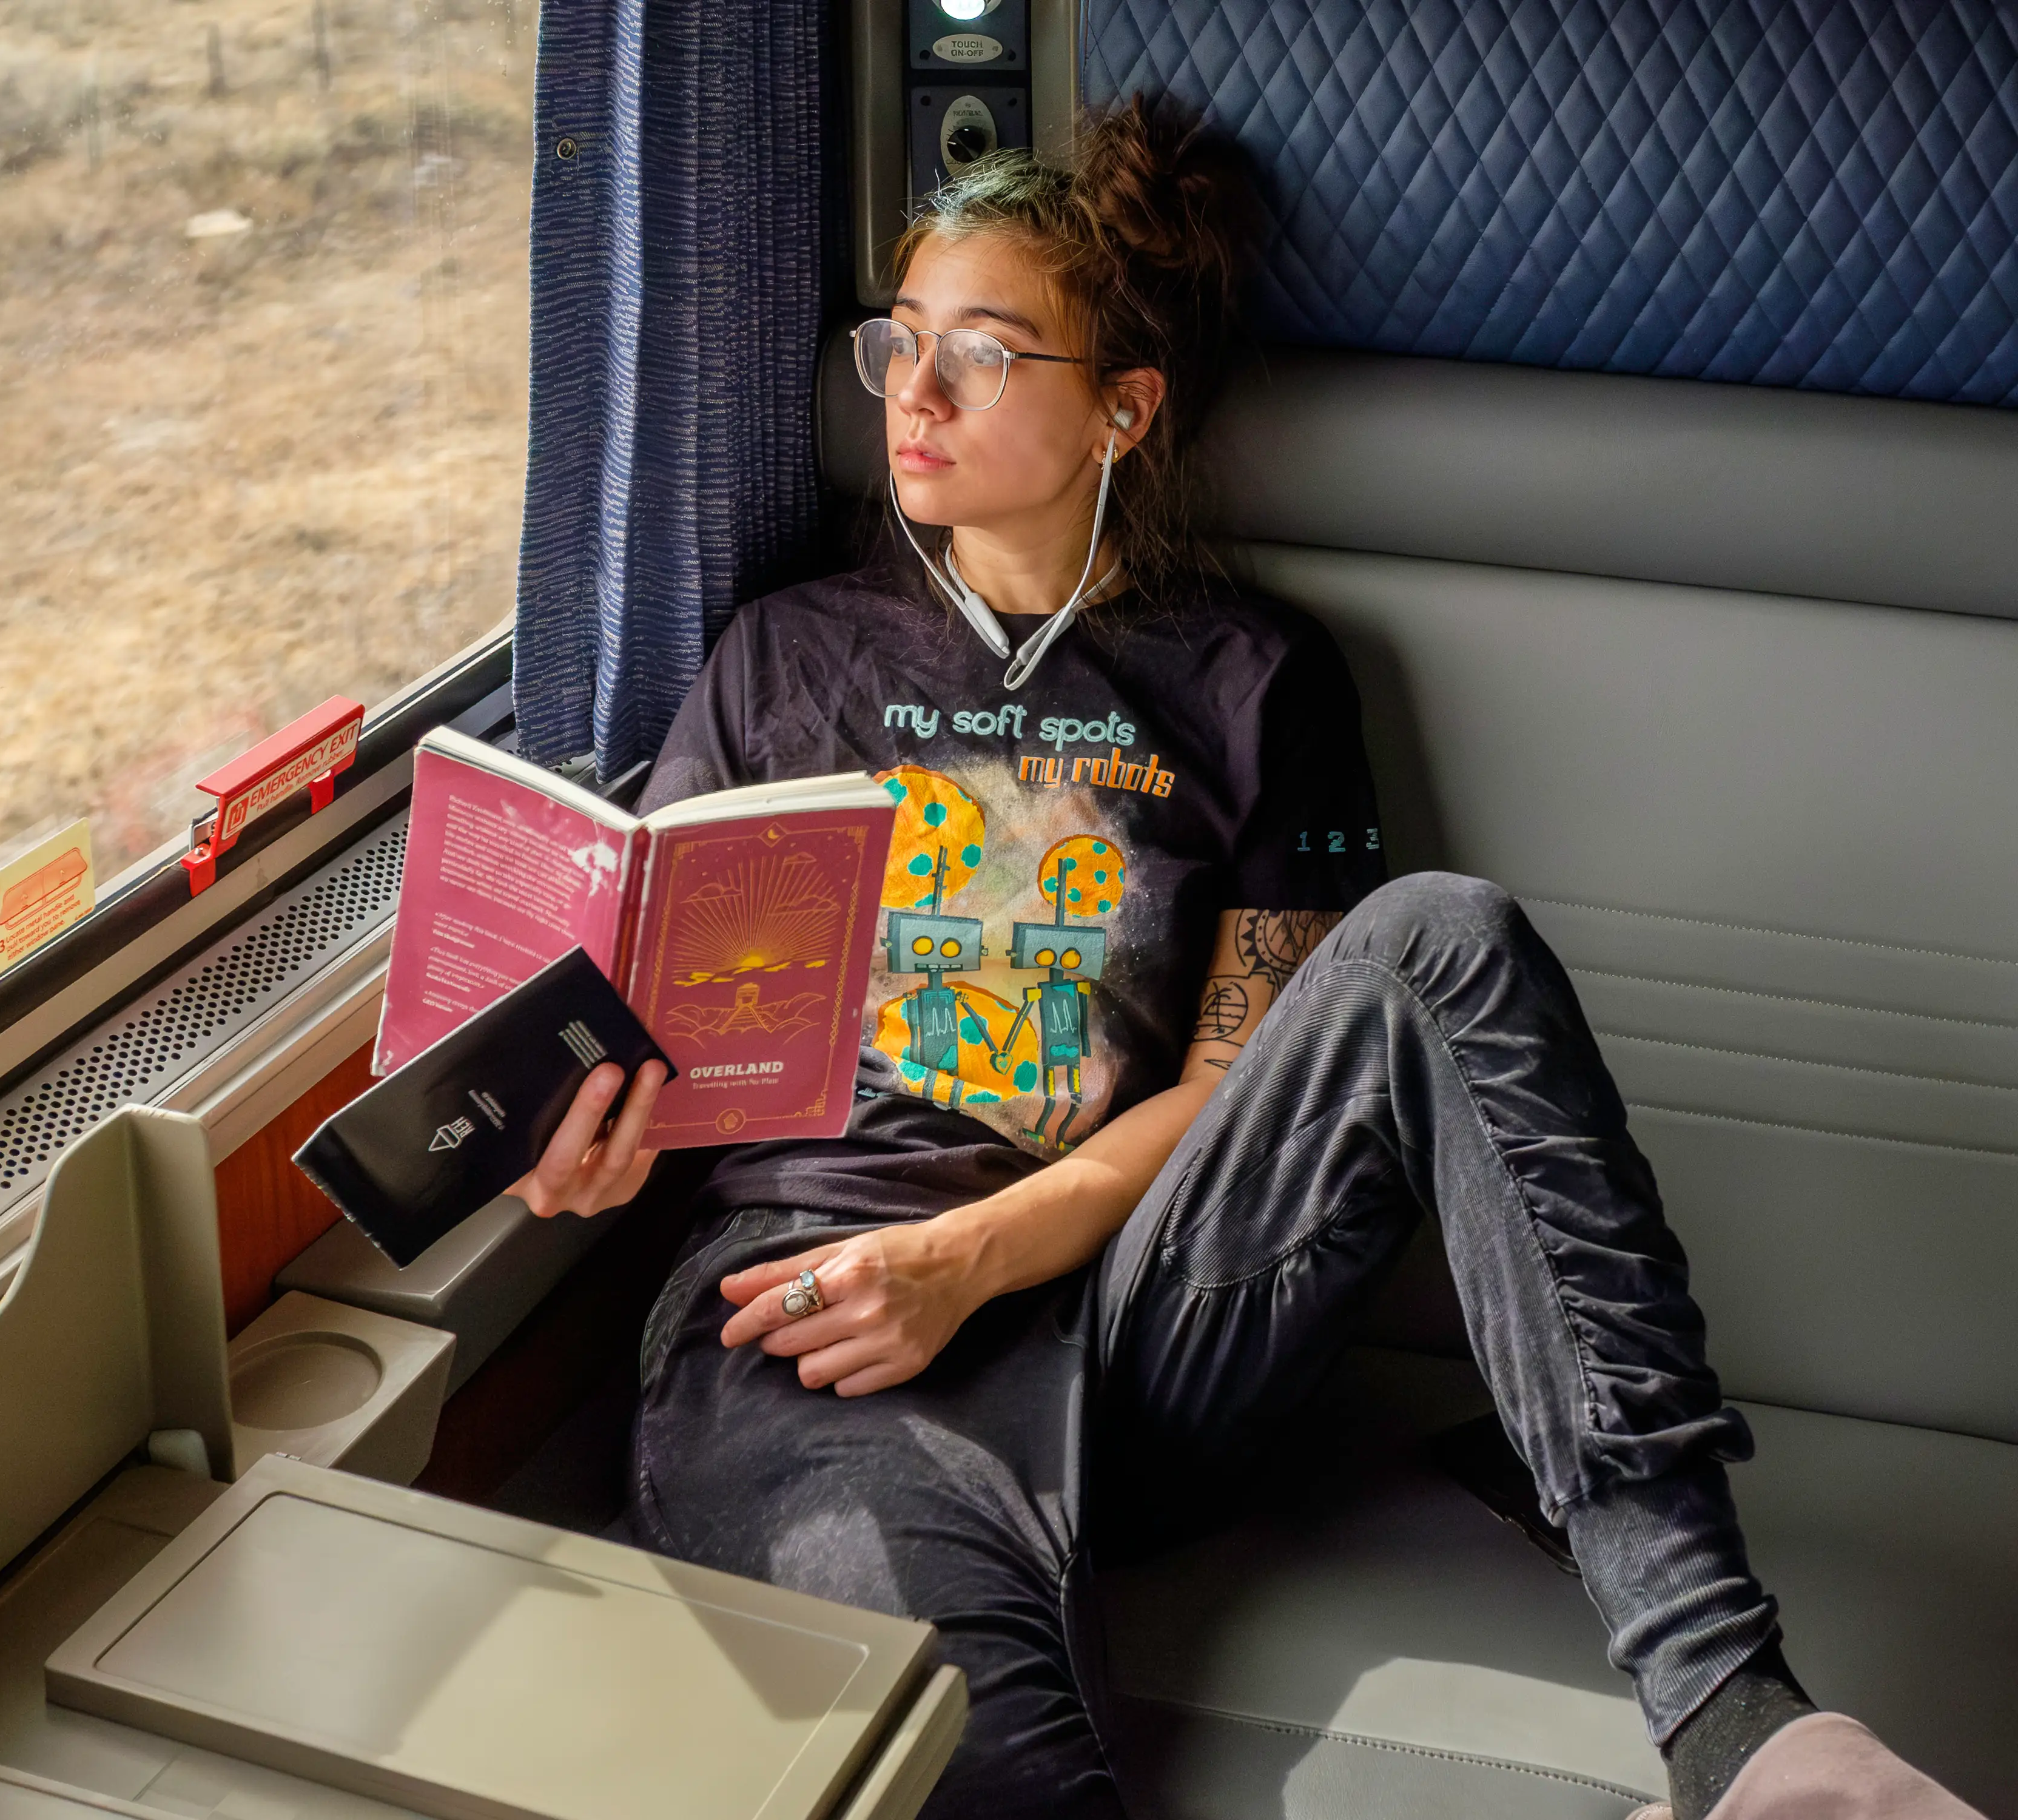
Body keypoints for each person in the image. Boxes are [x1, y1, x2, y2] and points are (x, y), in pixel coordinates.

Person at [507, 103, 1981, 1820]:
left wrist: (974, 1256)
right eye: (898, 344)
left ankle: (1741, 1718)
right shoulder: (783, 657)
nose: (913, 395)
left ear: (1121, 410)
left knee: (1437, 937)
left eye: (981, 355)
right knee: (976, 1773)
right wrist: (581, 1140)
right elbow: (670, 1026)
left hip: (1141, 1320)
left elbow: (1228, 1086)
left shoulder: (1251, 678)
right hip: (820, 1310)